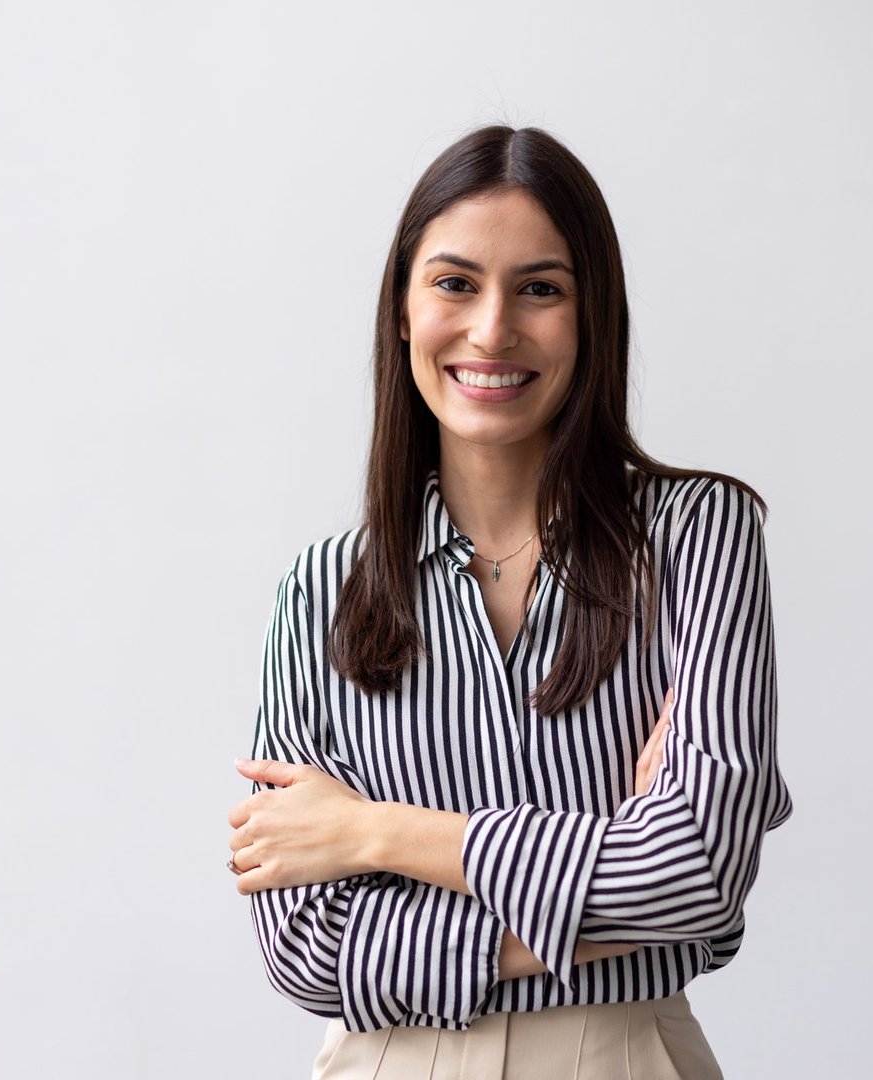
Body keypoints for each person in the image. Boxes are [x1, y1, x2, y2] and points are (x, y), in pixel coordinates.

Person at [225, 124, 792, 1079]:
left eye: (540, 288)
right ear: (402, 311)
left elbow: (695, 871)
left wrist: (377, 832)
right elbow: (303, 948)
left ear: (592, 314)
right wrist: (611, 884)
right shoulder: (324, 588)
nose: (492, 330)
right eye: (455, 283)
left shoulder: (698, 537)